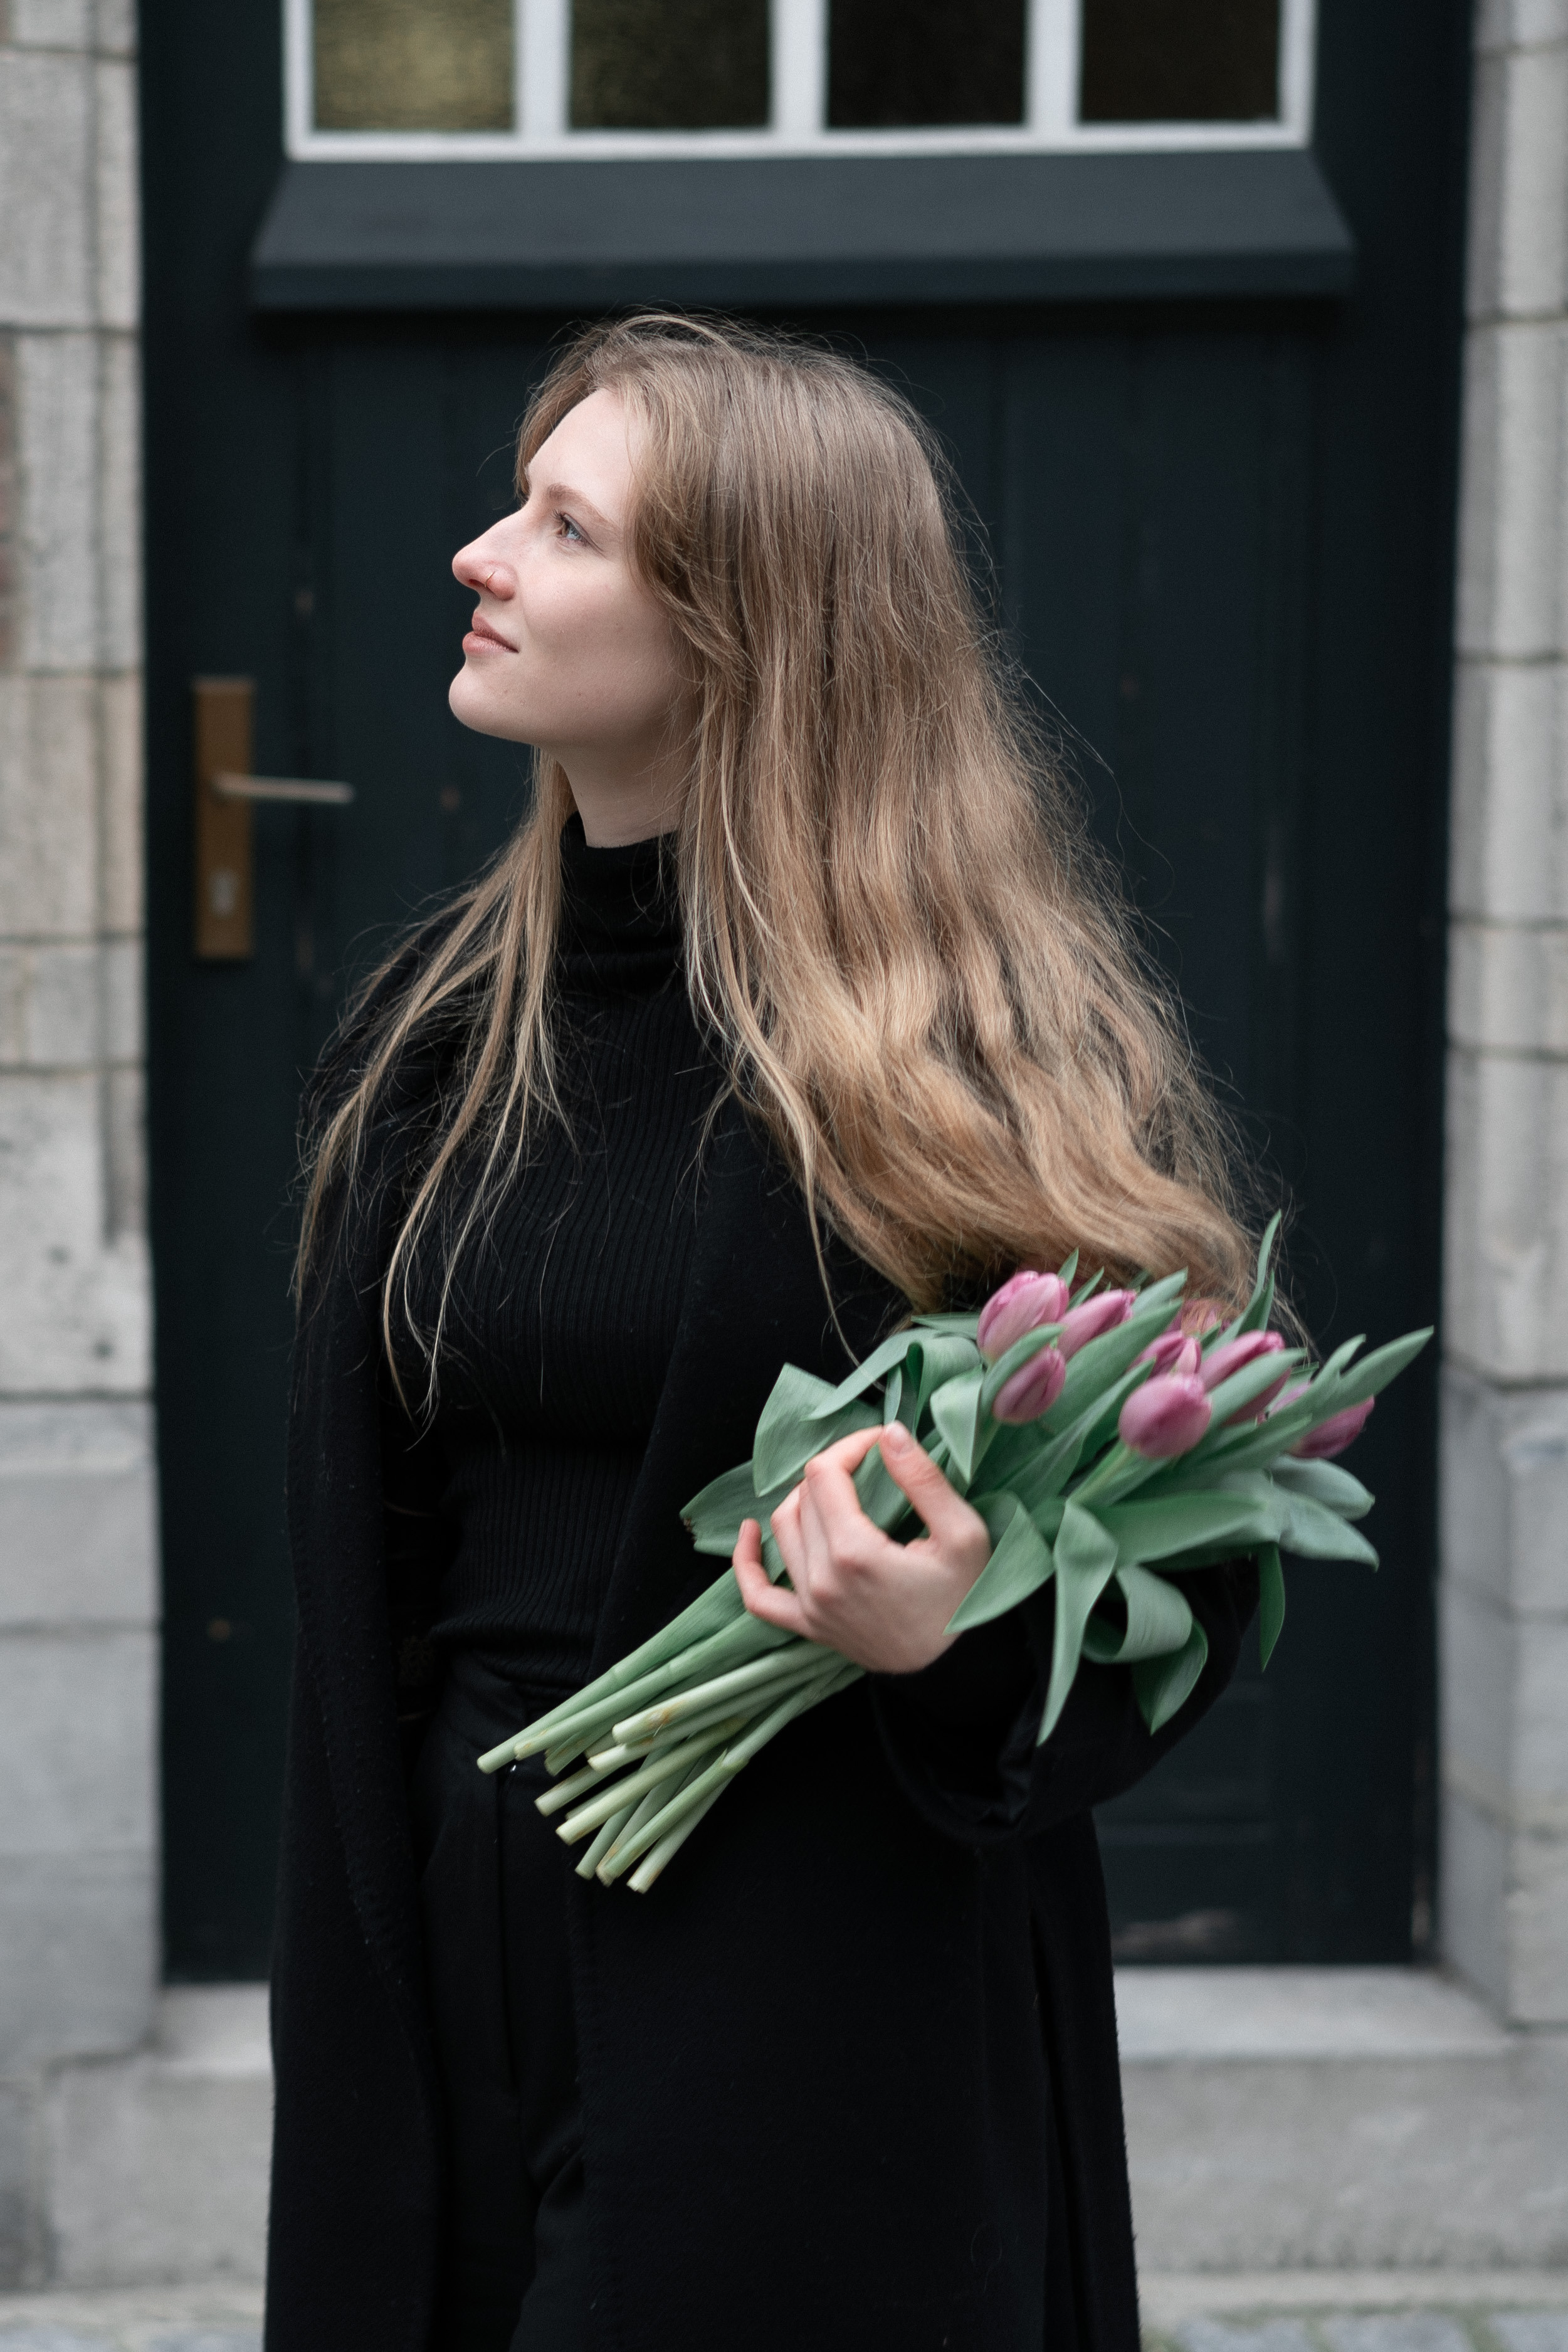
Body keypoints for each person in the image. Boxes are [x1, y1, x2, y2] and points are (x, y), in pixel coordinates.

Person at [266, 313, 1260, 2352]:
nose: (481, 551)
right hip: (450, 1966)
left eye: (565, 524)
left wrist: (959, 1643)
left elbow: (1200, 1562)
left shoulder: (977, 1070)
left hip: (808, 2009)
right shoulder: (440, 1041)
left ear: (744, 631)